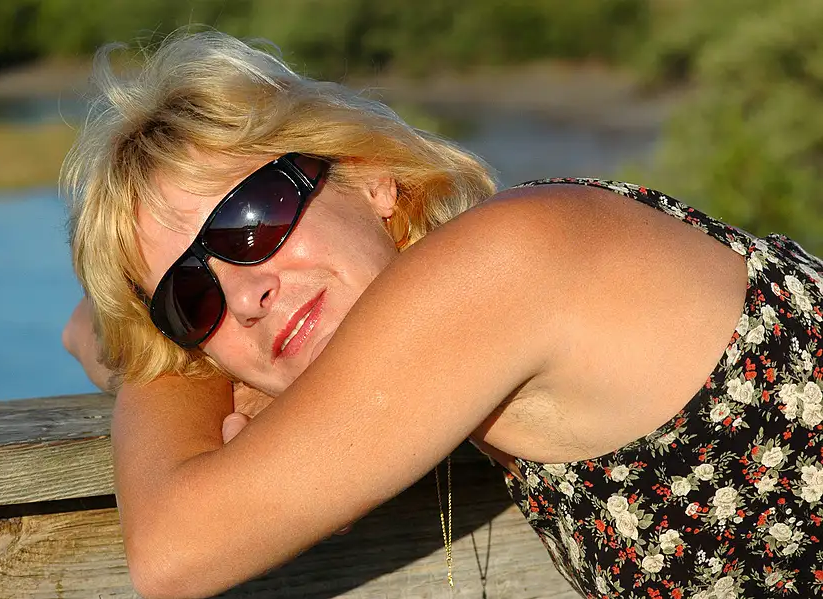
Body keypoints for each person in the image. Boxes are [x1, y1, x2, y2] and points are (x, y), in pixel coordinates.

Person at [62, 30, 823, 599]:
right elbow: (83, 331)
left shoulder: (504, 264)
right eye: (191, 298)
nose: (243, 296)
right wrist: (170, 348)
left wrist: (165, 354)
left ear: (368, 177)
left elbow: (173, 548)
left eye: (250, 223)